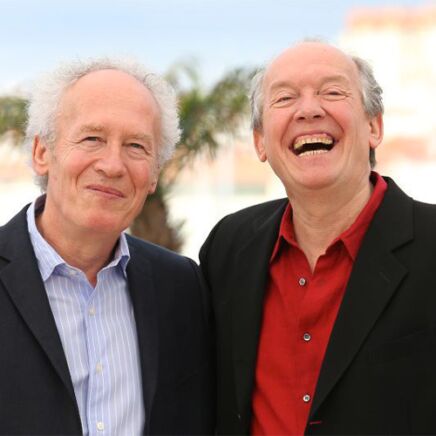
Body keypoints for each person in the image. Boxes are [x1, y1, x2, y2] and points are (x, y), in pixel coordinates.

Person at [200, 40, 436, 435]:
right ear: (260, 142)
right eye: (285, 98)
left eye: (332, 92)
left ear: (374, 127)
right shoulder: (229, 247)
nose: (308, 110)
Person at [0, 58, 214, 435]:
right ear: (42, 152)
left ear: (154, 175)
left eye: (136, 146)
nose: (113, 165)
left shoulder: (181, 287)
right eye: (92, 139)